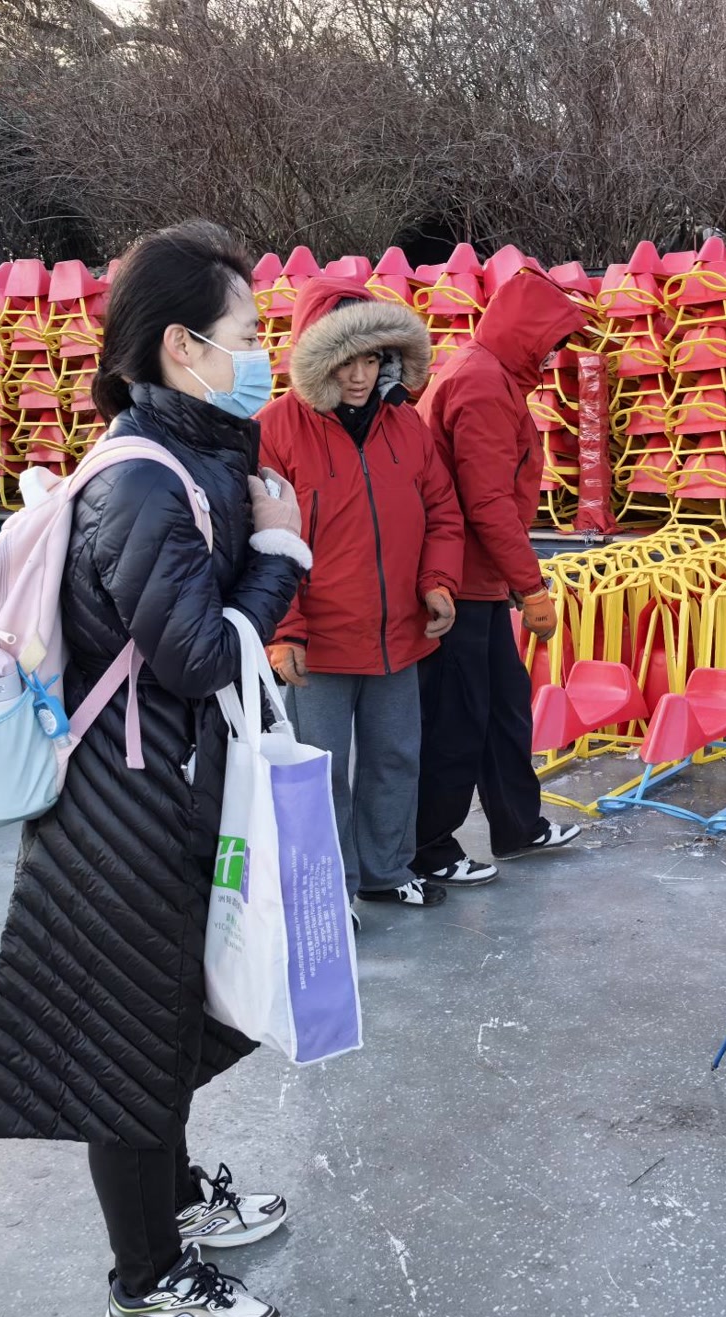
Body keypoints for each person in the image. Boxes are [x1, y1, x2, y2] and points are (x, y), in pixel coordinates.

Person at [0, 221, 310, 1317]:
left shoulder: (186, 456)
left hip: (162, 793)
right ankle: (146, 1285)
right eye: (246, 335)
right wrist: (279, 557)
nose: (260, 354)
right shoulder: (141, 482)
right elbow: (199, 658)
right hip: (120, 817)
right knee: (126, 1042)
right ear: (181, 347)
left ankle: (170, 1206)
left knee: (166, 1022)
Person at [258, 276, 464, 912]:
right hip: (316, 643)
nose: (358, 376)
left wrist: (437, 582)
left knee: (395, 759)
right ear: (316, 360)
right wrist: (283, 630)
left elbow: (442, 513)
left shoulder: (408, 427)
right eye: (344, 361)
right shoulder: (274, 430)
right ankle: (329, 888)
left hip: (398, 633)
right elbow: (262, 542)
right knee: (320, 770)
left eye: (371, 360)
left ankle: (385, 869)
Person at [413, 267, 586, 886]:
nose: (554, 355)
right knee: (458, 719)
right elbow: (485, 500)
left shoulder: (491, 376)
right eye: (552, 342)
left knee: (503, 708)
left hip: (479, 576)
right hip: (458, 580)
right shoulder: (482, 384)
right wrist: (531, 584)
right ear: (527, 333)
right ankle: (429, 846)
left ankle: (517, 824)